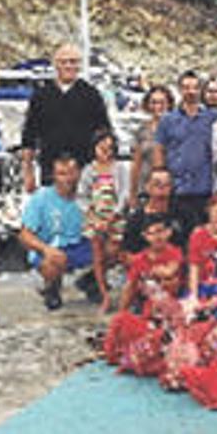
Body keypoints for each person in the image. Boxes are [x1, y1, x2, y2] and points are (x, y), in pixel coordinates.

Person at [21, 43, 111, 191]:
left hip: (84, 170)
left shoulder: (91, 95)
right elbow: (29, 136)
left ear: (79, 65)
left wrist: (103, 172)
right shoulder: (41, 95)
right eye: (64, 62)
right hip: (50, 169)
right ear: (55, 64)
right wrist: (28, 173)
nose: (68, 66)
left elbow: (104, 135)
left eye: (73, 61)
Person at [19, 155, 91, 311]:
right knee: (53, 261)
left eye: (72, 172)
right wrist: (46, 249)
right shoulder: (41, 197)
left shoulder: (87, 194)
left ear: (79, 173)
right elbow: (24, 234)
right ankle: (52, 288)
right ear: (53, 176)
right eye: (62, 174)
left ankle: (90, 280)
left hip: (81, 243)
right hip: (50, 246)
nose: (68, 179)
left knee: (114, 248)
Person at [154, 70, 217, 234]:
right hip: (177, 189)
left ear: (200, 90)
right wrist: (160, 180)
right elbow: (159, 149)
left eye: (194, 87)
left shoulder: (213, 117)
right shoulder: (168, 120)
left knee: (204, 236)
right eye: (186, 87)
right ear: (179, 90)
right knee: (178, 235)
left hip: (205, 189)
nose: (190, 91)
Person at [78, 130, 130, 313]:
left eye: (110, 149)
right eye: (102, 148)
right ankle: (104, 295)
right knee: (98, 256)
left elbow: (124, 193)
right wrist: (92, 215)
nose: (106, 153)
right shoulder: (89, 170)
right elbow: (82, 196)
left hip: (116, 217)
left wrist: (114, 214)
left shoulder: (120, 168)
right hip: (95, 218)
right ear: (94, 148)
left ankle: (98, 280)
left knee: (115, 251)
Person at [119, 213, 185, 312]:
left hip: (175, 301)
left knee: (170, 281)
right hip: (147, 303)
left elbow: (169, 272)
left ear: (168, 232)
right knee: (133, 285)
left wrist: (151, 273)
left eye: (160, 231)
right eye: (151, 233)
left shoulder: (175, 252)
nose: (157, 237)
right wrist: (122, 313)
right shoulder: (140, 259)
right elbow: (130, 287)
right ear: (145, 236)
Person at [121, 168, 190, 259]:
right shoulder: (136, 219)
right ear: (147, 187)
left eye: (166, 184)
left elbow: (192, 249)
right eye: (157, 184)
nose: (162, 187)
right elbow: (128, 254)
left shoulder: (184, 214)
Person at [129, 85, 174, 209]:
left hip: (168, 190)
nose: (157, 106)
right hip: (145, 189)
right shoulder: (142, 130)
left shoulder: (175, 129)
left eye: (162, 102)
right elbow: (136, 164)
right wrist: (132, 194)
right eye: (153, 102)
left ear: (169, 104)